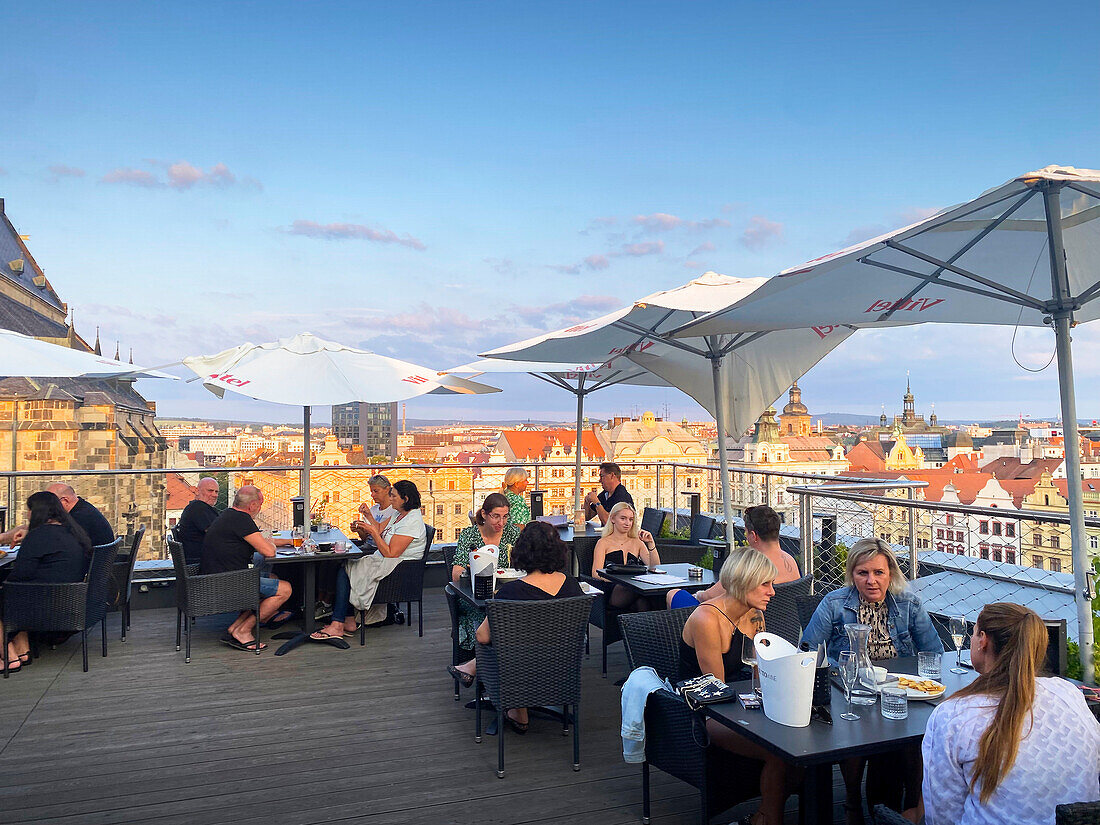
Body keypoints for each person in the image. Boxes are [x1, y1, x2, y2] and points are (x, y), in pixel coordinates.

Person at [802, 538, 942, 824]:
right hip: (850, 689)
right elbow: (807, 652)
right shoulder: (835, 603)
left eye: (878, 572)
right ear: (852, 575)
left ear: (890, 573)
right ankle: (853, 801)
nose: (871, 581)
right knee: (853, 731)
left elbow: (934, 652)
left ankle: (914, 805)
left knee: (917, 737)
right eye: (862, 573)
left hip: (899, 690)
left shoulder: (908, 603)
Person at [922, 602, 1100, 825]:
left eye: (974, 633)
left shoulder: (953, 715)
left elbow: (941, 816)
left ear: (983, 641)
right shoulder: (1068, 693)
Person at [680, 548, 791, 825]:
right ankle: (767, 819)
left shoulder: (754, 615)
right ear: (743, 581)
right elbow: (717, 690)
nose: (772, 592)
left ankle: (764, 815)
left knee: (800, 738)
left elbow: (760, 671)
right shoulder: (707, 619)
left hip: (741, 702)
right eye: (765, 584)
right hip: (705, 711)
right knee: (780, 751)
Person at [447, 521, 585, 729]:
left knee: (493, 641)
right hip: (561, 667)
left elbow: (483, 637)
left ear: (522, 551)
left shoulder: (511, 592)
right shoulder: (572, 585)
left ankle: (515, 706)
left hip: (518, 670)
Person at [310, 480, 428, 640]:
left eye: (393, 496)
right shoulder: (398, 514)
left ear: (405, 499)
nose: (390, 498)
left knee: (345, 570)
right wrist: (367, 519)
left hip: (398, 569)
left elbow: (391, 554)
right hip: (385, 561)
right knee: (344, 565)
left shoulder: (411, 522)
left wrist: (372, 532)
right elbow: (380, 529)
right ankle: (348, 620)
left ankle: (339, 624)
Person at [1, 491, 92, 673]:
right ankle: (22, 650)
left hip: (44, 608)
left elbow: (20, 575)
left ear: (38, 512)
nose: (27, 515)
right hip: (70, 605)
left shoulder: (39, 536)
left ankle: (7, 656)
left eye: (29, 510)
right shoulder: (74, 532)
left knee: (5, 595)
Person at [199, 485, 293, 652]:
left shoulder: (230, 515)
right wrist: (271, 543)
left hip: (214, 577)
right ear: (253, 506)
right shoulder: (242, 520)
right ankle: (244, 631)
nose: (261, 507)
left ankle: (234, 628)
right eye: (261, 503)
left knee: (272, 578)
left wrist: (288, 541)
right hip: (226, 582)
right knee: (285, 589)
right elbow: (268, 551)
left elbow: (261, 539)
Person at [667, 504, 800, 610]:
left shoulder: (749, 566)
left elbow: (708, 597)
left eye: (747, 533)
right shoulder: (791, 561)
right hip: (782, 632)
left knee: (673, 594)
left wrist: (697, 594)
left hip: (739, 631)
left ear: (753, 536)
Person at [449, 493, 521, 659]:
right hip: (477, 596)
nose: (501, 523)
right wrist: (474, 570)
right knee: (493, 615)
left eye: (505, 517)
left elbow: (523, 564)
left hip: (507, 593)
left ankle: (505, 661)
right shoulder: (469, 535)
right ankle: (495, 661)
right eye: (496, 516)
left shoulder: (512, 533)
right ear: (484, 514)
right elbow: (456, 573)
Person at [0, 483, 114, 549]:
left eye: (52, 501)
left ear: (65, 501)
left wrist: (31, 536)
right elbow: (38, 527)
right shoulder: (77, 510)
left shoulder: (80, 517)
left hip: (76, 580)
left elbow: (50, 537)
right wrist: (3, 538)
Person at [591, 502, 660, 611]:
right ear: (613, 519)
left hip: (636, 588)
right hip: (613, 590)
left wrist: (651, 544)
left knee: (642, 603)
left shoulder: (637, 542)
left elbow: (655, 567)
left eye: (630, 519)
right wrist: (620, 580)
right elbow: (595, 573)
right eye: (623, 518)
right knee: (630, 588)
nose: (627, 523)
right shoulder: (603, 543)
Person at [175, 477, 220, 565]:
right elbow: (216, 534)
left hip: (198, 560)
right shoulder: (199, 509)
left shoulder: (196, 507)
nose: (215, 495)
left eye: (216, 492)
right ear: (198, 491)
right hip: (201, 564)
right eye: (210, 491)